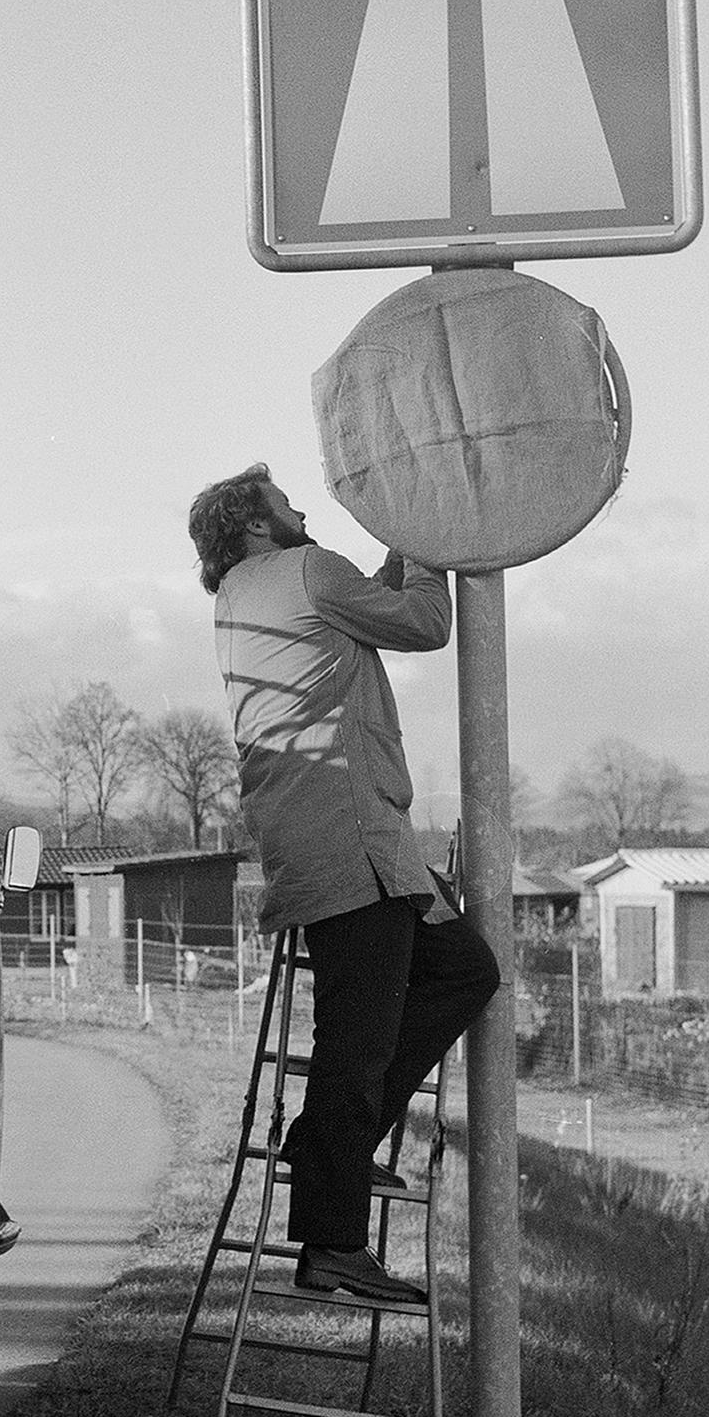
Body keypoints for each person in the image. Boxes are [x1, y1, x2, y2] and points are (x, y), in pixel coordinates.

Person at [188, 465, 498, 1304]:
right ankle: (332, 1241)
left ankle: (327, 1144)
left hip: (333, 836)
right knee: (355, 1044)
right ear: (254, 526)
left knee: (462, 969)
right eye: (284, 504)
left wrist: (401, 545)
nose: (301, 511)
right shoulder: (311, 572)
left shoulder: (246, 592)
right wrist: (429, 546)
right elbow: (427, 621)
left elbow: (368, 597)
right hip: (350, 836)